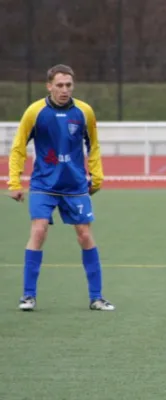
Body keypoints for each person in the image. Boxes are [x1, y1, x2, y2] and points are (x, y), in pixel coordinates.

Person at [7, 64, 115, 312]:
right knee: (39, 230)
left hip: (75, 184)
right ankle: (28, 296)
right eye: (59, 85)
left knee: (85, 236)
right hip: (44, 184)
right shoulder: (35, 112)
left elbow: (94, 146)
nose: (64, 90)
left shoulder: (84, 111)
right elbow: (19, 147)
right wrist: (14, 182)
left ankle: (97, 297)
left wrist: (96, 178)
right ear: (49, 86)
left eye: (68, 85)